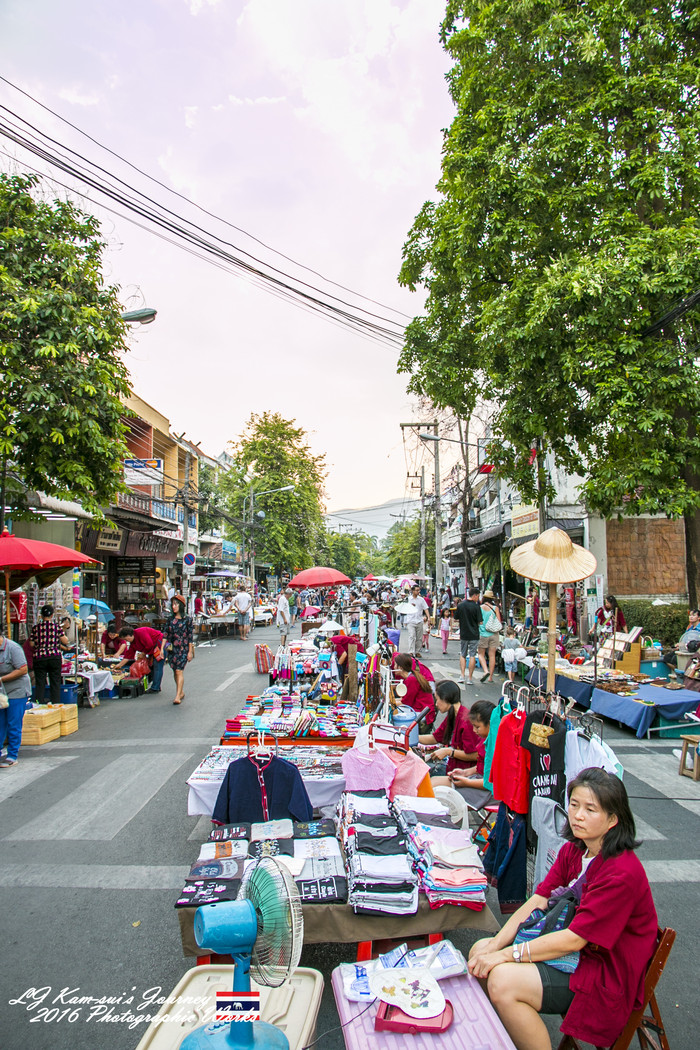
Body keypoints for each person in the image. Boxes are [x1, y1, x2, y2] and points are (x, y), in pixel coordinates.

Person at [468, 768, 658, 1050]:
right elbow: (537, 900)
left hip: (603, 972)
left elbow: (575, 938)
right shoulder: (575, 849)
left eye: (590, 809)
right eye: (574, 804)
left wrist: (507, 954)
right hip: (576, 953)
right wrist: (496, 945)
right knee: (480, 951)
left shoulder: (621, 872)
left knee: (503, 981)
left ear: (613, 820)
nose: (578, 815)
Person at [417, 678, 479, 778]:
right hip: (453, 768)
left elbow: (476, 755)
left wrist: (449, 752)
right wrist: (410, 737)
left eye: (437, 699)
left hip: (464, 774)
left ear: (445, 698)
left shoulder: (466, 721)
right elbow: (436, 738)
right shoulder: (453, 715)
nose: (436, 704)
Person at [448, 699, 495, 805]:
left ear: (490, 724)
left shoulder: (496, 746)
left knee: (443, 795)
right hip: (478, 781)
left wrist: (467, 782)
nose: (474, 730)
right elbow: (483, 766)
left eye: (477, 727)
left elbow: (491, 782)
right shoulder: (486, 738)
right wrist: (465, 772)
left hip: (488, 791)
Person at [0, 631, 32, 768]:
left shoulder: (13, 648)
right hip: (2, 691)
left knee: (13, 722)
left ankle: (12, 754)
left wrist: (1, 679)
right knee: (1, 723)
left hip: (17, 690)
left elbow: (23, 669)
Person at [30, 604, 69, 705]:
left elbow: (31, 644)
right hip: (54, 656)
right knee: (55, 681)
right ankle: (55, 702)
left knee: (40, 682)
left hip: (39, 657)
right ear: (52, 615)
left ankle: (39, 703)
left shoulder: (35, 628)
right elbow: (65, 640)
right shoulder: (56, 627)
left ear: (41, 616)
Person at [115, 624, 165, 693]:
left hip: (159, 646)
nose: (127, 641)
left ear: (129, 635)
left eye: (126, 639)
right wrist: (119, 665)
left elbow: (149, 644)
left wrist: (143, 654)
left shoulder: (141, 632)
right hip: (152, 649)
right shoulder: (133, 643)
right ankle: (156, 685)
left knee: (157, 666)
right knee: (152, 667)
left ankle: (155, 687)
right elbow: (128, 655)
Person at [163, 594, 194, 704]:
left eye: (176, 604)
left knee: (179, 671)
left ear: (181, 606)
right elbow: (165, 635)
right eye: (173, 604)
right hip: (172, 649)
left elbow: (190, 637)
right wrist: (163, 649)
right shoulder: (170, 620)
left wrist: (190, 652)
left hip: (183, 648)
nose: (174, 606)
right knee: (174, 671)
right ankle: (180, 691)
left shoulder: (187, 620)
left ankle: (177, 696)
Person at [393, 652, 436, 725]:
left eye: (395, 665)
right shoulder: (412, 676)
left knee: (394, 713)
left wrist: (392, 702)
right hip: (422, 709)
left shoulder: (411, 680)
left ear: (400, 667)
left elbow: (406, 702)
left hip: (423, 713)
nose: (394, 667)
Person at [455, 586, 486, 685]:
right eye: (478, 596)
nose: (478, 598)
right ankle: (470, 678)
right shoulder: (476, 607)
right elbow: (480, 622)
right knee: (472, 655)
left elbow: (456, 618)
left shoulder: (461, 605)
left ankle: (462, 676)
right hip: (474, 634)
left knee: (463, 654)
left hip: (464, 633)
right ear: (475, 595)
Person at [477, 590, 502, 683]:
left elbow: (479, 622)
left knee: (480, 654)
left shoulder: (480, 608)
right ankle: (491, 677)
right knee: (492, 655)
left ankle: (485, 670)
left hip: (483, 634)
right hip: (494, 634)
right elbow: (498, 621)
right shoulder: (495, 608)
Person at [405, 583, 429, 657]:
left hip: (419, 620)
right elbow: (404, 608)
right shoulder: (408, 599)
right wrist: (409, 606)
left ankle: (417, 651)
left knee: (419, 637)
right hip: (411, 620)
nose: (418, 592)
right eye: (416, 590)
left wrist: (428, 617)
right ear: (412, 591)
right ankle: (411, 651)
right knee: (411, 636)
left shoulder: (421, 600)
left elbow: (426, 608)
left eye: (419, 590)